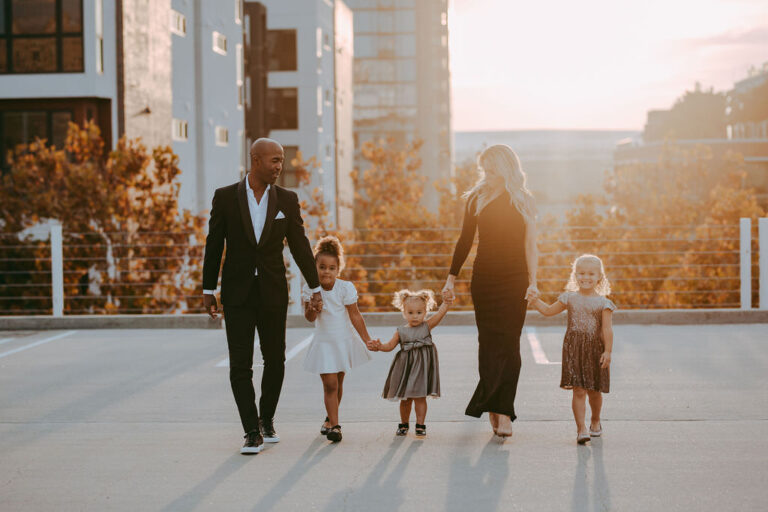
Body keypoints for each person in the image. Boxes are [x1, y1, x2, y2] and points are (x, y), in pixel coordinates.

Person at [202, 138, 323, 455]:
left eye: (281, 160)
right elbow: (214, 245)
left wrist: (315, 287)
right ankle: (251, 431)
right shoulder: (226, 197)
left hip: (272, 292)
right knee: (240, 364)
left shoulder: (287, 199)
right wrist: (207, 289)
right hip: (237, 293)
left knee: (276, 359)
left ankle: (266, 419)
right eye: (274, 160)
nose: (279, 166)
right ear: (255, 160)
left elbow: (299, 244)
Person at [442, 144, 538, 439]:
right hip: (484, 279)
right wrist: (450, 278)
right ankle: (494, 409)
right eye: (485, 170)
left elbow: (531, 245)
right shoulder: (476, 198)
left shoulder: (523, 200)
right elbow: (464, 241)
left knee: (510, 344)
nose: (488, 175)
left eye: (493, 170)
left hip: (515, 279)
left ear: (506, 168)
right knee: (488, 343)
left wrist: (533, 281)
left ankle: (504, 410)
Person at [528, 254, 616, 444]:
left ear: (599, 276)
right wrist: (534, 301)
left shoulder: (603, 303)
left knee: (594, 391)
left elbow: (607, 330)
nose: (586, 277)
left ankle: (595, 420)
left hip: (595, 349)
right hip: (573, 348)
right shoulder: (569, 298)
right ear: (575, 275)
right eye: (582, 273)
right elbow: (548, 311)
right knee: (578, 391)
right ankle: (581, 429)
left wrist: (607, 351)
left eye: (591, 274)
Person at [302, 235, 376, 443]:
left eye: (332, 268)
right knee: (330, 384)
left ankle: (329, 419)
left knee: (339, 382)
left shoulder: (345, 288)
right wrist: (312, 308)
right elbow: (309, 318)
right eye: (322, 267)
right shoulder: (310, 289)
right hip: (324, 343)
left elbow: (355, 315)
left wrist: (366, 339)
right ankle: (335, 426)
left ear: (338, 269)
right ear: (315, 267)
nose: (327, 271)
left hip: (343, 341)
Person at [371, 289, 451, 437]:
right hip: (406, 368)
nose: (415, 316)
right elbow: (389, 346)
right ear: (404, 312)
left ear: (425, 311)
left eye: (419, 312)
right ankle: (404, 424)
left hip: (422, 369)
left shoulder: (427, 326)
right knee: (406, 399)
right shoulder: (400, 331)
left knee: (420, 397)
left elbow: (440, 313)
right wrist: (379, 347)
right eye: (411, 312)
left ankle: (420, 425)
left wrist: (446, 303)